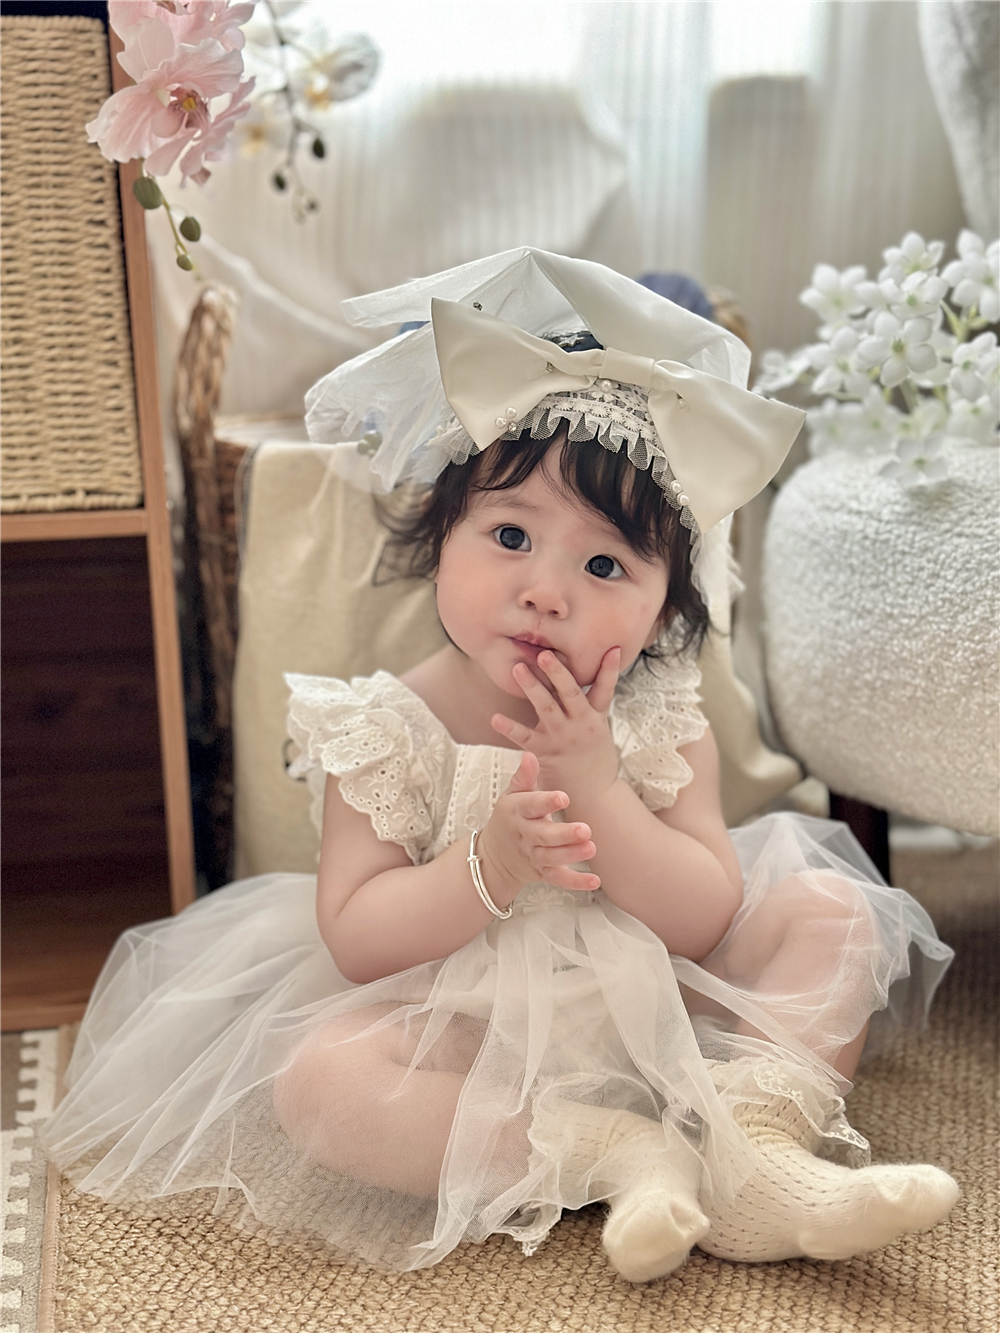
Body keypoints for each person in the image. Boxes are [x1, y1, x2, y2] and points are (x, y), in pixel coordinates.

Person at [42, 249, 958, 1283]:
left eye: (604, 563)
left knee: (831, 914)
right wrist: (489, 865)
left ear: (665, 606)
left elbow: (706, 916)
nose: (547, 591)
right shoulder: (386, 726)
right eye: (511, 535)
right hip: (467, 1032)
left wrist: (599, 787)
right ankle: (611, 1154)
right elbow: (356, 935)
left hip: (667, 1009)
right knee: (320, 1079)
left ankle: (754, 1151)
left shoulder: (660, 719)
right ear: (443, 540)